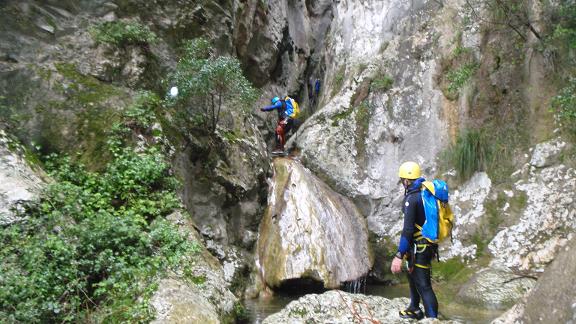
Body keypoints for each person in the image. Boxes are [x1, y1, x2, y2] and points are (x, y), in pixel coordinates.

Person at [390, 161, 438, 320]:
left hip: (421, 247)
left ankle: (432, 319)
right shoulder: (423, 192)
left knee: (424, 285)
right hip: (422, 245)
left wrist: (399, 254)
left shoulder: (413, 198)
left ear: (406, 180)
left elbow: (408, 229)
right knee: (413, 277)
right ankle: (414, 308)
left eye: (402, 179)